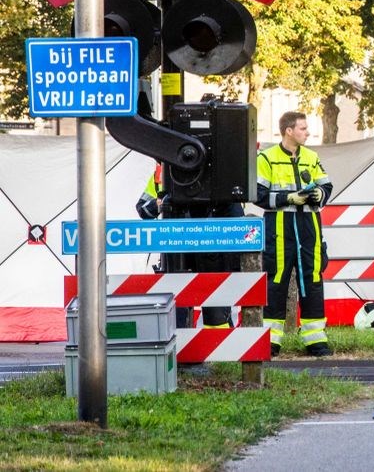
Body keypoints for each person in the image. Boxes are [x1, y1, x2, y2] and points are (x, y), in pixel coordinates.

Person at [257, 111, 334, 357]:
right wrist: (288, 198)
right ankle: (271, 340)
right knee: (276, 281)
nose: (307, 132)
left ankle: (315, 339)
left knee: (312, 279)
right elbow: (257, 194)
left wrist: (319, 194)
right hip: (279, 228)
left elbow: (327, 185)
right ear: (289, 131)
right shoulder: (266, 158)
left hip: (309, 225)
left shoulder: (311, 156)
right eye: (302, 128)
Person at [136, 163, 240, 331]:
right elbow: (143, 209)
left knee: (215, 307)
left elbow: (235, 215)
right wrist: (160, 204)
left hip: (210, 250)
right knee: (179, 308)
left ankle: (218, 348)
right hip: (176, 252)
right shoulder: (163, 172)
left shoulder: (217, 171)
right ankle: (181, 351)